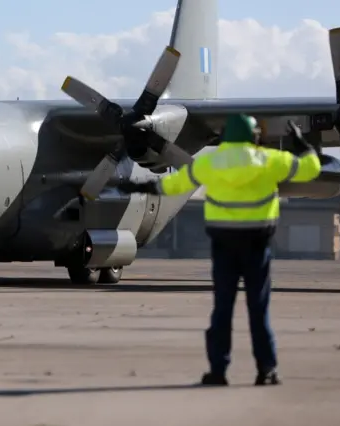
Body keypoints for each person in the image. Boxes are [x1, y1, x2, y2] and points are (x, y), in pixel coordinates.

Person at [118, 114, 321, 386]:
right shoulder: (270, 161)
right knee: (258, 310)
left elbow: (173, 184)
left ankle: (218, 371)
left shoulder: (209, 163)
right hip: (256, 246)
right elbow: (311, 169)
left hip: (224, 246)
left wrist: (140, 185)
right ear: (254, 137)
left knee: (222, 310)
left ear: (225, 137)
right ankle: (267, 370)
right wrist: (302, 145)